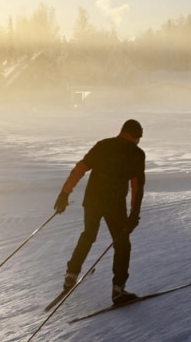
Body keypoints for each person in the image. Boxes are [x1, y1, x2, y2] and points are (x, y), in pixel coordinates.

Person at [53, 118, 145, 305]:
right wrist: (133, 215)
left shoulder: (104, 145)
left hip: (93, 200)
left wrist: (64, 193)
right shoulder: (137, 154)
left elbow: (81, 168)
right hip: (114, 205)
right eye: (139, 138)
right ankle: (118, 290)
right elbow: (137, 187)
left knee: (88, 235)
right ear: (136, 137)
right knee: (122, 245)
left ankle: (71, 276)